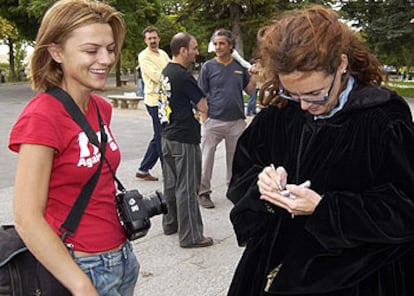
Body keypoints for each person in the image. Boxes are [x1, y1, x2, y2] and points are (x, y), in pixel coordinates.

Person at [227, 5, 414, 296]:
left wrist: (325, 209)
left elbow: (405, 208)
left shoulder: (383, 120)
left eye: (316, 93)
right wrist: (260, 184)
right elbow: (244, 170)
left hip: (353, 278)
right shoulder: (281, 110)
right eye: (292, 92)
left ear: (341, 65)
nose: (303, 105)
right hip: (270, 268)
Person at [8, 1, 139, 295]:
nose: (106, 59)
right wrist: (81, 286)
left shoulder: (100, 108)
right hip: (80, 267)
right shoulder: (42, 117)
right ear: (56, 52)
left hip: (121, 258)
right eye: (91, 50)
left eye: (110, 48)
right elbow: (27, 218)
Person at [159, 32, 213, 248]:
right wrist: (198, 113)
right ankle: (191, 236)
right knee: (188, 187)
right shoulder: (182, 75)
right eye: (194, 48)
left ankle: (171, 223)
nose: (196, 52)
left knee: (171, 184)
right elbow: (203, 105)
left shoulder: (166, 71)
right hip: (184, 137)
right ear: (183, 50)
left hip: (167, 135)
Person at [198, 28, 257, 209]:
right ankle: (203, 192)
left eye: (222, 43)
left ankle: (234, 190)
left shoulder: (239, 67)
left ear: (230, 45)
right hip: (213, 120)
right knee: (206, 158)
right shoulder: (208, 67)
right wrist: (205, 118)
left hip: (236, 122)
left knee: (236, 160)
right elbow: (201, 94)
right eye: (215, 43)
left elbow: (249, 90)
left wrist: (254, 76)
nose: (218, 47)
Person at [135, 26, 170, 181]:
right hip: (154, 102)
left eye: (154, 38)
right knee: (162, 136)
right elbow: (156, 76)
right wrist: (171, 77)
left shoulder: (163, 54)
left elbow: (171, 69)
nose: (153, 41)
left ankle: (143, 169)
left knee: (160, 135)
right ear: (145, 41)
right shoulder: (143, 56)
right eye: (149, 38)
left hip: (166, 100)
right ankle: (168, 173)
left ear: (159, 38)